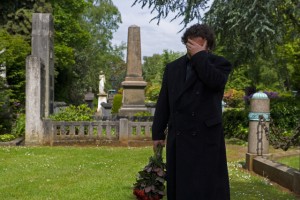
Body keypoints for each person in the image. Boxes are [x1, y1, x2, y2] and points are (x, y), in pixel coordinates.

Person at [152, 24, 232, 200]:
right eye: (190, 45)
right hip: (179, 136)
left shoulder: (219, 64)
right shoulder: (172, 68)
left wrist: (200, 57)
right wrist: (157, 133)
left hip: (206, 138)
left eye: (198, 45)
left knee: (206, 188)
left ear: (207, 46)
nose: (192, 49)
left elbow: (215, 82)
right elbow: (164, 102)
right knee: (181, 187)